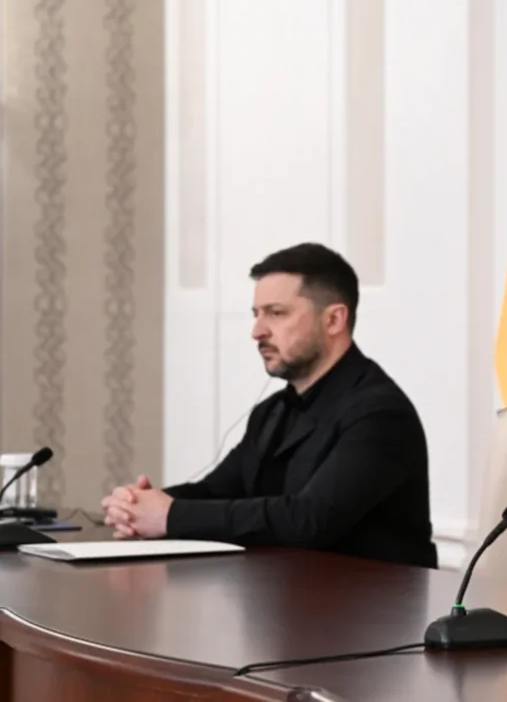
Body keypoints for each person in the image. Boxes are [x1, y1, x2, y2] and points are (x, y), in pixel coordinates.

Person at [101, 243, 437, 568]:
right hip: (287, 595)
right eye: (256, 314)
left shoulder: (380, 414)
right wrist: (139, 506)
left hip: (371, 604)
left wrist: (169, 515)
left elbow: (310, 519)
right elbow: (219, 491)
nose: (257, 331)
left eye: (276, 313)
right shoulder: (272, 411)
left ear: (334, 320)